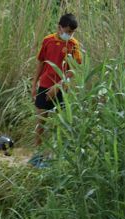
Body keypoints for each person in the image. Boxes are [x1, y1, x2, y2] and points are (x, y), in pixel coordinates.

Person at [32, 13, 81, 147]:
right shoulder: (48, 40)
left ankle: (57, 153)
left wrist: (58, 86)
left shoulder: (73, 44)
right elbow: (41, 62)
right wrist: (34, 84)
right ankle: (38, 151)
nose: (70, 35)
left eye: (72, 32)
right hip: (45, 84)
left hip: (62, 88)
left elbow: (74, 69)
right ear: (59, 28)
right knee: (40, 120)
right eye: (68, 32)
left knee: (61, 123)